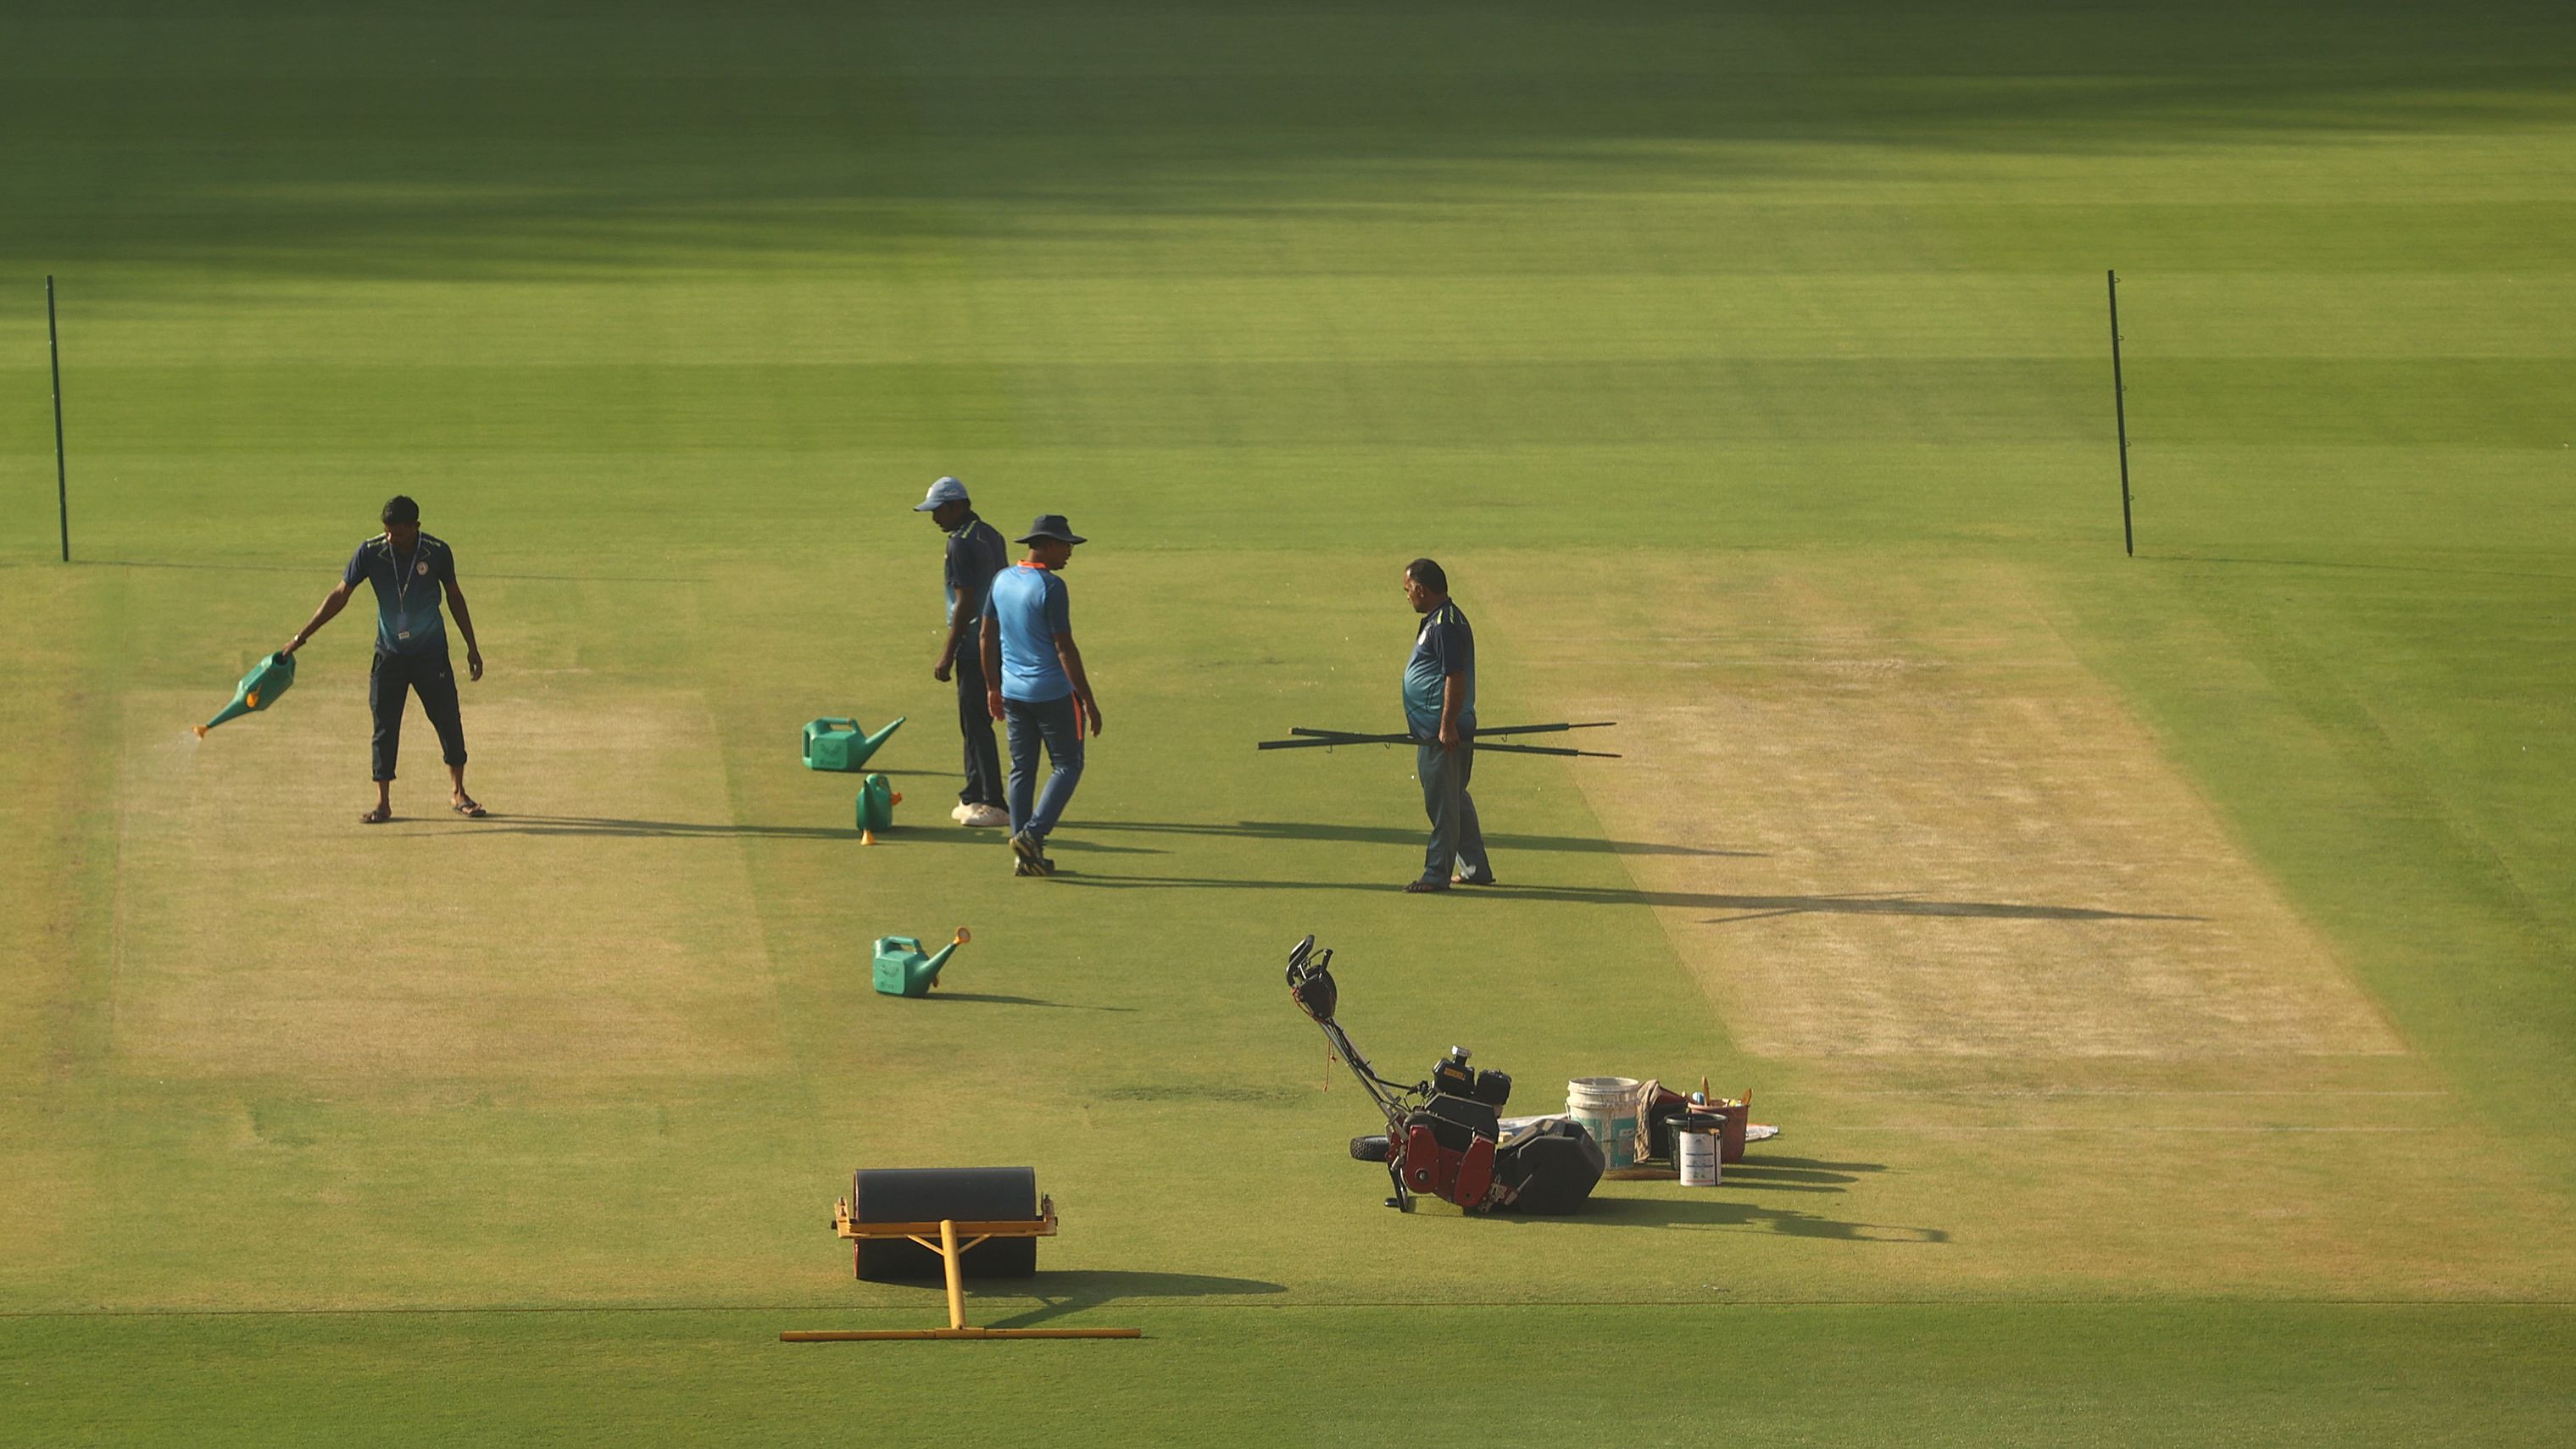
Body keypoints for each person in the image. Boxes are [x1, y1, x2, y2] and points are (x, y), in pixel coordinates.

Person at [284, 495, 486, 823]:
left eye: (400, 534)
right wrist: (301, 637)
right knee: (384, 726)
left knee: (448, 719)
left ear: (416, 527)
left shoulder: (437, 552)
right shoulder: (370, 552)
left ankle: (458, 792)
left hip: (431, 653)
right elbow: (340, 595)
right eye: (388, 532)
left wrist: (472, 647)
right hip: (389, 654)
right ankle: (383, 803)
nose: (392, 539)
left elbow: (455, 597)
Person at [978, 515, 1103, 877]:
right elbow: (1064, 647)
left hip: (1014, 693)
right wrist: (1089, 701)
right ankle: (1032, 835)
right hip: (1052, 694)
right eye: (1066, 545)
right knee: (1068, 764)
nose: (1069, 553)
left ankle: (1025, 858)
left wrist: (992, 687)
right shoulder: (1051, 586)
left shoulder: (1002, 579)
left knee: (1022, 769)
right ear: (1047, 544)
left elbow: (986, 637)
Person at [915, 475, 1011, 828]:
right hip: (997, 637)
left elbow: (966, 602)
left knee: (977, 723)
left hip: (974, 644)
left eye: (939, 511)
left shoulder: (960, 544)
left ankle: (994, 803)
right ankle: (973, 793)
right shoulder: (991, 534)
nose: (934, 518)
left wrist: (947, 653)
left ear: (958, 505)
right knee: (973, 721)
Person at [1401, 558, 1491, 892]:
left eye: (1408, 589)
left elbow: (1455, 675)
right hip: (1440, 730)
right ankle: (1475, 868)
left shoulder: (1445, 625)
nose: (1407, 596)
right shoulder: (1440, 619)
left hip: (1443, 734)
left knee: (1443, 803)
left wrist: (1447, 725)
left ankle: (1436, 874)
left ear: (1421, 589)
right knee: (1455, 798)